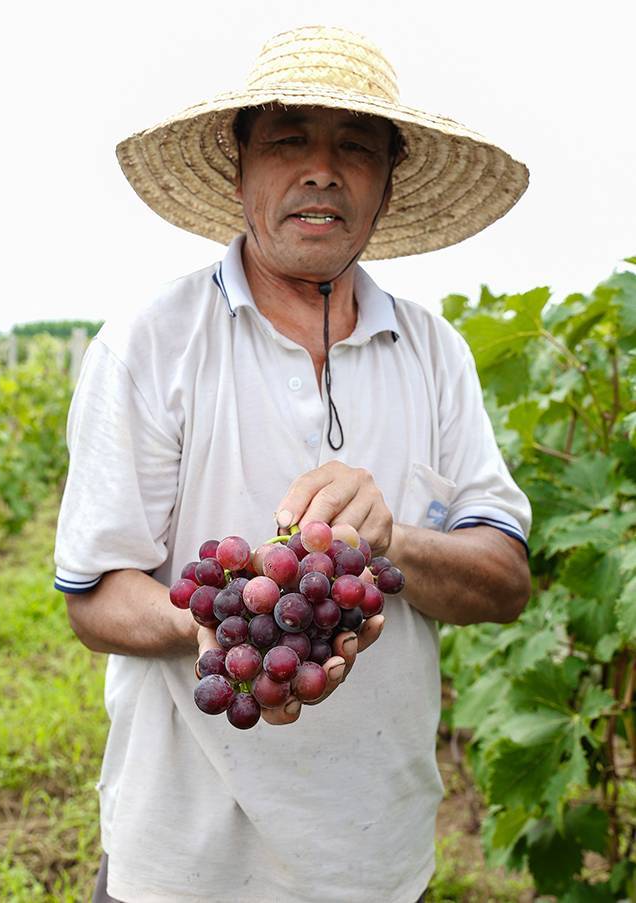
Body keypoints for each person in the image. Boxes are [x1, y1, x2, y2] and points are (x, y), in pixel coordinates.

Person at [54, 25, 532, 903]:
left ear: (388, 185)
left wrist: (393, 543)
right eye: (288, 140)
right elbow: (93, 593)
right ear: (239, 172)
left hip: (374, 861)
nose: (322, 169)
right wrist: (215, 624)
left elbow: (503, 579)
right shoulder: (150, 346)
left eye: (355, 146)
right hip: (180, 865)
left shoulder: (437, 353)